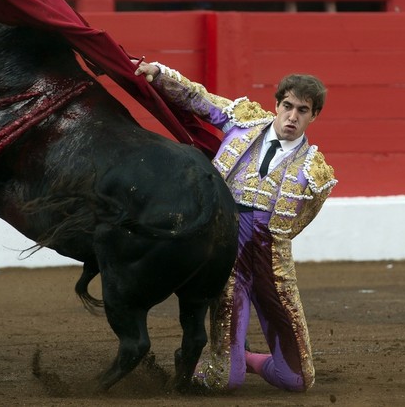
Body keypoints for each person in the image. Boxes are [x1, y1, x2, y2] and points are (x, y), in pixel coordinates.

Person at [135, 61, 337, 393]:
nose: (292, 116)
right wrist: (159, 74)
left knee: (298, 380)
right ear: (277, 104)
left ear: (313, 115)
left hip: (272, 264)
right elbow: (199, 100)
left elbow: (297, 223)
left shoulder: (316, 172)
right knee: (223, 379)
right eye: (287, 106)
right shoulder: (245, 122)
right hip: (225, 254)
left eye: (303, 110)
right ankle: (204, 365)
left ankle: (246, 357)